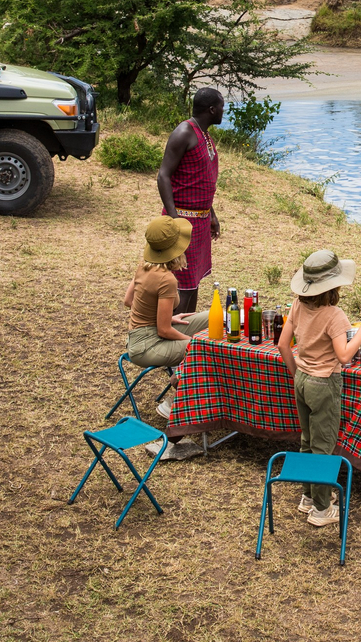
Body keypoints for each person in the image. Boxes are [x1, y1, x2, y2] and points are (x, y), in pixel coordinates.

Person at [276, 249, 361, 529]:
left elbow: (283, 345)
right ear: (333, 286)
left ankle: (309, 496)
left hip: (302, 381)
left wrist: (297, 374)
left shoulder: (298, 306)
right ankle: (322, 509)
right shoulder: (335, 315)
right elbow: (345, 356)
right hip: (324, 384)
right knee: (324, 445)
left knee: (308, 440)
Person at [120, 215, 209, 460]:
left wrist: (169, 318)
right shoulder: (167, 279)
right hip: (148, 345)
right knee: (203, 348)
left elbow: (130, 301)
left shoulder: (143, 266)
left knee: (212, 317)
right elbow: (163, 332)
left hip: (143, 334)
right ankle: (175, 402)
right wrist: (193, 342)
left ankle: (183, 392)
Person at [157, 88, 225, 313]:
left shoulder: (204, 134)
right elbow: (164, 175)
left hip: (200, 219)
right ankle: (173, 336)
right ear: (212, 109)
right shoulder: (184, 132)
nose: (223, 111)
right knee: (181, 283)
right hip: (182, 220)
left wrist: (211, 215)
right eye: (222, 107)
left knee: (193, 282)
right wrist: (175, 222)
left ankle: (187, 336)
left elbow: (200, 179)